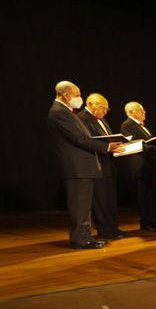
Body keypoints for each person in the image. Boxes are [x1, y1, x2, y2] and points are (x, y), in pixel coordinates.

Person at [47, 81, 125, 249]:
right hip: (76, 167)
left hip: (81, 167)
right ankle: (80, 239)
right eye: (77, 95)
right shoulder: (59, 112)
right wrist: (106, 146)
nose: (79, 99)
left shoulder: (65, 111)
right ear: (66, 95)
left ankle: (84, 236)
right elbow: (79, 138)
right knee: (79, 206)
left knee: (83, 206)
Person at [76, 92, 127, 241]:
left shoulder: (102, 120)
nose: (104, 111)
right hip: (96, 164)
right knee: (101, 200)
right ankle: (105, 230)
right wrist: (107, 147)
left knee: (109, 198)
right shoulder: (81, 118)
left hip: (108, 163)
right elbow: (86, 140)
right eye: (101, 107)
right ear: (90, 104)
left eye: (106, 109)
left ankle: (112, 228)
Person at [120, 101, 156, 231]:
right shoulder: (127, 125)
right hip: (141, 165)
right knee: (144, 195)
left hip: (150, 164)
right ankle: (147, 222)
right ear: (131, 112)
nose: (144, 112)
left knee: (154, 193)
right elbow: (135, 144)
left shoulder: (141, 126)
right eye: (141, 110)